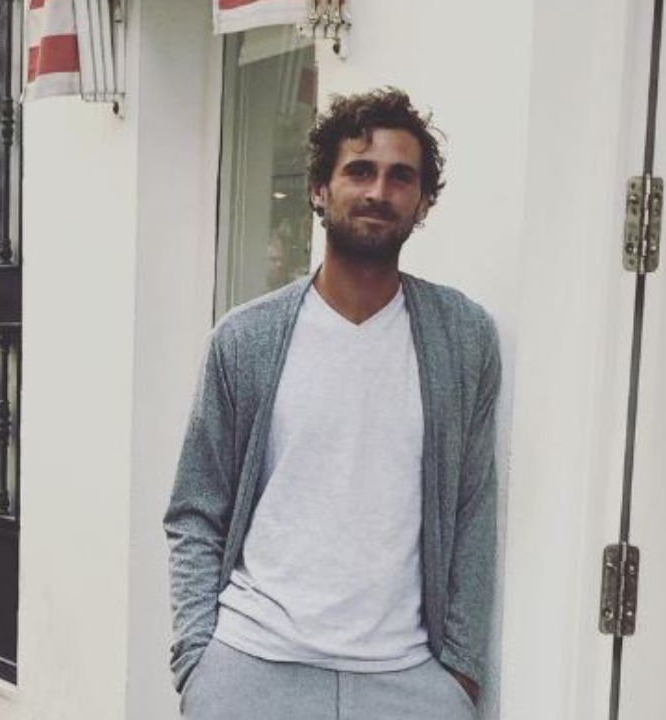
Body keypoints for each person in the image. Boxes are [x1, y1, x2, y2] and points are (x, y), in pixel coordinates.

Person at [165, 87, 500, 720]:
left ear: (423, 202)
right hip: (253, 667)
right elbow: (194, 509)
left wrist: (461, 673)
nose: (379, 191)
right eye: (359, 171)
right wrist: (196, 662)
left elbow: (473, 508)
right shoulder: (246, 338)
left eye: (401, 177)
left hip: (407, 681)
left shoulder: (462, 337)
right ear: (320, 189)